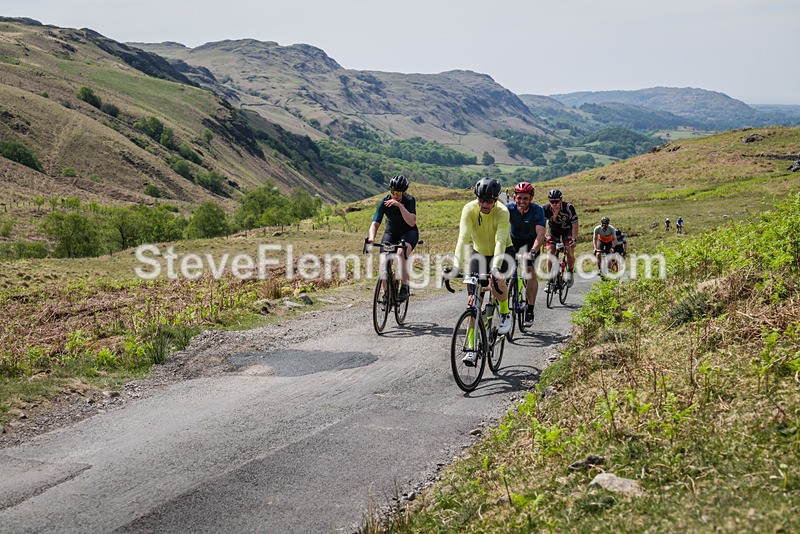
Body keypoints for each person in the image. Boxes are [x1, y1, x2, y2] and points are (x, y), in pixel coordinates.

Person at [450, 177, 514, 365]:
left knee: (497, 282)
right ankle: (471, 348)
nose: (484, 204)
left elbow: (500, 241)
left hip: (503, 253)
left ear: (496, 199)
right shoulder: (469, 209)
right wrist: (455, 265)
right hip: (479, 254)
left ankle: (504, 314)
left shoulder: (502, 211)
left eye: (489, 200)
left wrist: (495, 268)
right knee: (473, 302)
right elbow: (463, 238)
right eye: (481, 200)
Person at [367, 174, 418, 302]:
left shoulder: (409, 200)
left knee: (401, 254)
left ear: (403, 192)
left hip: (408, 232)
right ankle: (386, 293)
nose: (395, 195)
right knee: (384, 263)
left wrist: (400, 206)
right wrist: (371, 238)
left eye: (399, 193)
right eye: (393, 192)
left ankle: (404, 287)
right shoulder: (384, 202)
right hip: (391, 233)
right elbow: (375, 223)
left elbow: (411, 222)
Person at [506, 181, 545, 324]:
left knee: (530, 272)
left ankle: (530, 308)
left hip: (531, 243)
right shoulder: (508, 209)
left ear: (531, 199)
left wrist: (533, 251)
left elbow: (540, 234)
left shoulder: (537, 210)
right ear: (514, 197)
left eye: (525, 198)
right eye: (519, 198)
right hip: (513, 242)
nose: (522, 201)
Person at [542, 189, 579, 288]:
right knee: (550, 253)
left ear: (561, 200)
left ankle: (570, 271)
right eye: (551, 201)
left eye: (556, 201)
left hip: (567, 230)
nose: (554, 204)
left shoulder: (568, 208)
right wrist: (543, 236)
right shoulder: (545, 209)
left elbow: (575, 224)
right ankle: (550, 280)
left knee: (569, 251)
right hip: (553, 231)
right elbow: (541, 224)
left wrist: (574, 239)